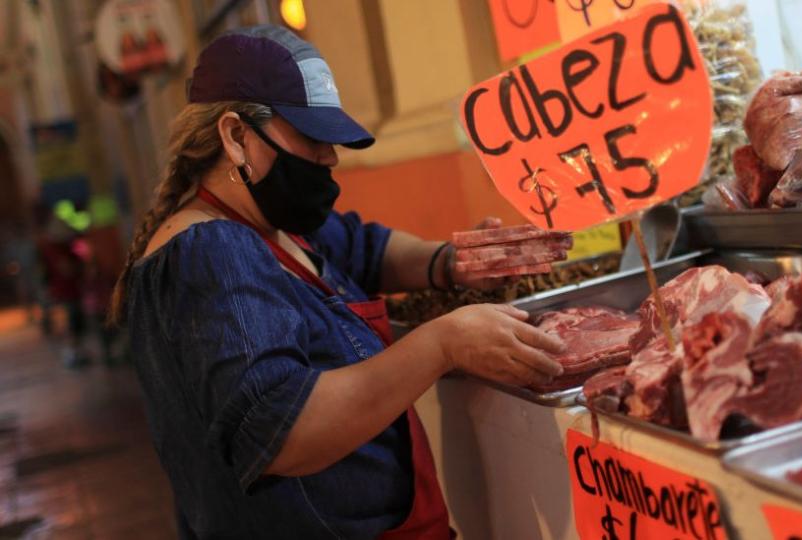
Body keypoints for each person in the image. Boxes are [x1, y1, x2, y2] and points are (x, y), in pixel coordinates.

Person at [109, 25, 566, 539]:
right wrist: (442, 344)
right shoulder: (212, 253)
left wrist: (450, 262)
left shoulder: (273, 224)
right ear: (236, 136)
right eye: (312, 137)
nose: (330, 157)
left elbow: (364, 248)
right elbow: (282, 430)